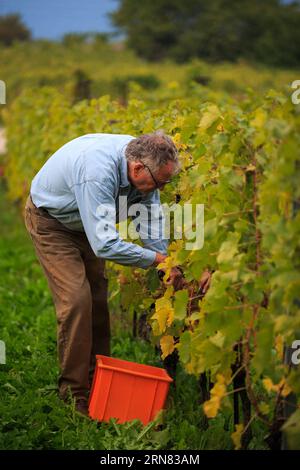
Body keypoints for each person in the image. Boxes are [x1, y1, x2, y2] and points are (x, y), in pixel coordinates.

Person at [24, 130, 184, 416]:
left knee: (98, 299)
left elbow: (151, 224)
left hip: (86, 225)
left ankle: (100, 379)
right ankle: (74, 393)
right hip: (52, 223)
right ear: (137, 168)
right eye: (159, 182)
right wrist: (156, 259)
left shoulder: (145, 167)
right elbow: (106, 244)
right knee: (76, 300)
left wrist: (167, 266)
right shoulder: (97, 172)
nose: (158, 188)